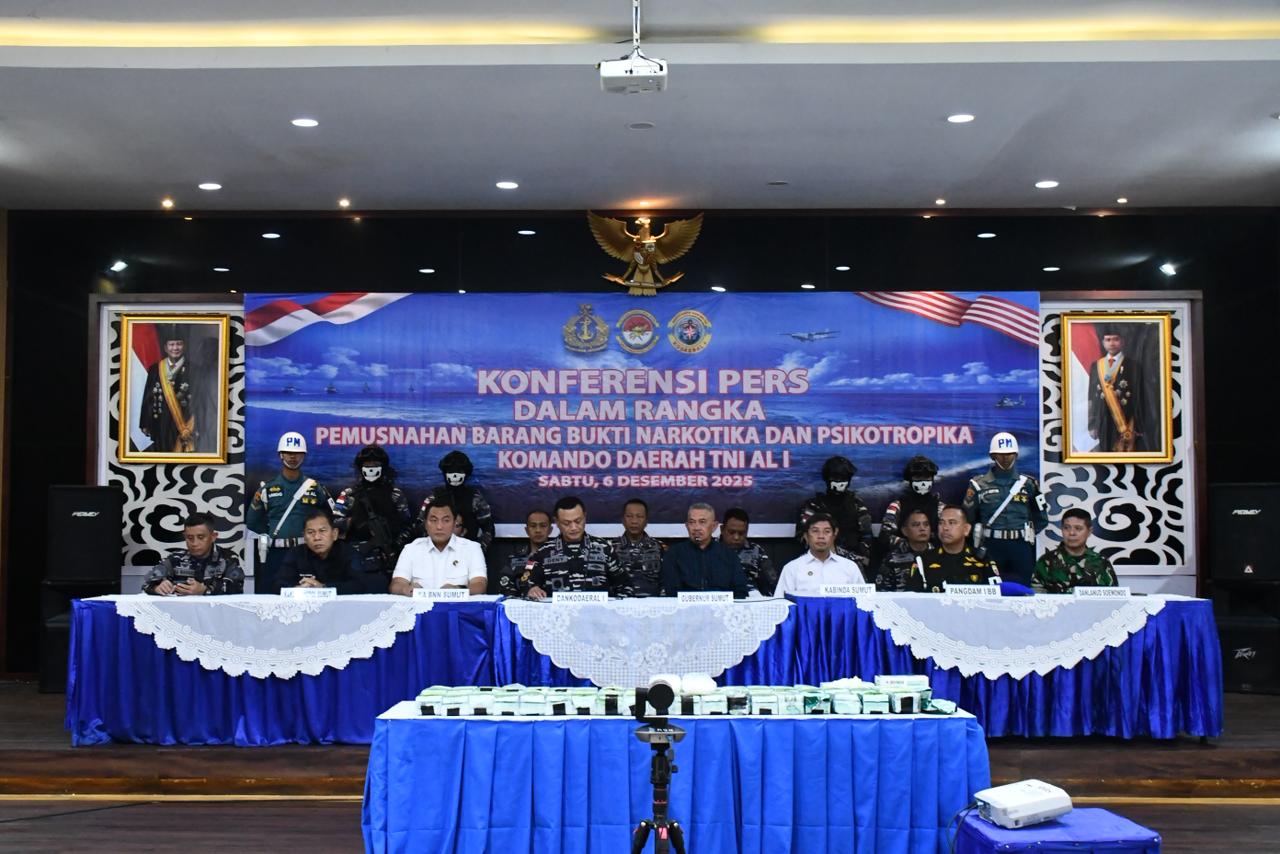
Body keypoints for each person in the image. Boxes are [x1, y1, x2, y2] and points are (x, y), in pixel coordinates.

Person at [246, 431, 335, 595]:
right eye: (288, 453)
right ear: (281, 455)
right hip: (276, 553)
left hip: (307, 552)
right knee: (272, 595)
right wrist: (272, 534)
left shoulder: (315, 488)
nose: (293, 457)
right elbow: (252, 521)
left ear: (304, 456)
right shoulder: (267, 488)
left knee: (308, 595)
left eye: (297, 453)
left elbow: (331, 516)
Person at [963, 432, 1047, 586]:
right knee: (989, 589)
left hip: (1020, 546)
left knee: (1023, 588)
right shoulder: (978, 485)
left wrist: (1026, 535)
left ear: (1016, 455)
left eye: (1010, 454)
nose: (1006, 458)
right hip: (991, 545)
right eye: (1001, 454)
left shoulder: (1028, 484)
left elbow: (1041, 518)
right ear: (993, 456)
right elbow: (968, 519)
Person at [332, 444, 415, 586]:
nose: (371, 468)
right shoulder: (349, 494)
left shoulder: (395, 494)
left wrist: (395, 544)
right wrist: (354, 521)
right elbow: (334, 524)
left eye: (375, 464)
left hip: (388, 556)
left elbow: (407, 526)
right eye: (367, 465)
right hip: (356, 556)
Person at [519, 496, 631, 599]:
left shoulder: (605, 548)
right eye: (566, 523)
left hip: (598, 612)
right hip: (557, 612)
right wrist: (531, 589)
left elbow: (625, 585)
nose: (573, 527)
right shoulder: (541, 552)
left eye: (578, 521)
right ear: (557, 522)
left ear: (585, 517)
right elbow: (524, 580)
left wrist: (616, 607)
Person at [391, 496, 488, 595]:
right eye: (434, 520)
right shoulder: (411, 549)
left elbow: (480, 585)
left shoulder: (472, 548)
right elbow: (396, 584)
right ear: (425, 524)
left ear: (454, 523)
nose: (439, 526)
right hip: (419, 604)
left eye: (446, 520)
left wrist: (458, 590)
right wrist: (406, 589)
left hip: (456, 605)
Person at [142, 512, 244, 595]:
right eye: (190, 538)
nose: (194, 543)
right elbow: (146, 583)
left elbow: (236, 589)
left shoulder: (228, 558)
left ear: (213, 536)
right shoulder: (176, 558)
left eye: (201, 537)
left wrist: (205, 590)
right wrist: (156, 587)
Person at [661, 503, 749, 598]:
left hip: (722, 606)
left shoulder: (729, 555)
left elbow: (740, 591)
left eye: (702, 522)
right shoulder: (674, 554)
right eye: (692, 522)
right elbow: (672, 592)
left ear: (714, 526)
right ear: (686, 526)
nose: (696, 528)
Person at [277, 507, 371, 594]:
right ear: (304, 537)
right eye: (310, 532)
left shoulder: (348, 553)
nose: (317, 537)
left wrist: (324, 588)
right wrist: (297, 589)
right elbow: (278, 583)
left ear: (334, 534)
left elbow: (360, 584)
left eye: (322, 531)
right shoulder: (296, 553)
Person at [907, 505, 1000, 592]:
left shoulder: (983, 560)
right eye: (941, 523)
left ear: (966, 529)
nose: (945, 528)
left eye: (952, 523)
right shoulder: (923, 561)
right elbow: (912, 598)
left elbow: (997, 595)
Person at [797, 455, 874, 559]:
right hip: (818, 560)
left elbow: (867, 537)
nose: (839, 482)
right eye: (835, 478)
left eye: (844, 478)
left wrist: (850, 557)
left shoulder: (857, 505)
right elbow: (802, 537)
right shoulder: (813, 506)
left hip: (851, 561)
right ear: (827, 479)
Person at [774, 513, 866, 597]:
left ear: (834, 535)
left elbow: (863, 601)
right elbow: (781, 603)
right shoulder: (792, 568)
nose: (821, 536)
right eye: (815, 531)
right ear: (806, 536)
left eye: (827, 531)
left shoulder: (850, 567)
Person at [139, 325, 198, 453]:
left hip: (185, 425)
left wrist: (195, 425)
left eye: (179, 344)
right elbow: (148, 397)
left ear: (184, 346)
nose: (175, 348)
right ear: (165, 348)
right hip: (160, 424)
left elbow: (199, 399)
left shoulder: (194, 369)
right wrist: (145, 422)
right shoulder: (155, 369)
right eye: (171, 344)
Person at [420, 450, 495, 551]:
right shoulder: (434, 498)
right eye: (450, 471)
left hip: (467, 553)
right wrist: (432, 551)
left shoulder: (475, 498)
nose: (455, 475)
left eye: (459, 471)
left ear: (466, 473)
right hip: (438, 553)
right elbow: (421, 526)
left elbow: (488, 528)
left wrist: (478, 550)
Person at [1033, 508, 1117, 593]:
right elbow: (1036, 597)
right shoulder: (1046, 562)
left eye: (1078, 528)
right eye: (1066, 528)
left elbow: (1114, 595)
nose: (1071, 533)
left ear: (1089, 531)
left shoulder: (1101, 562)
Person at [1087, 327, 1144, 452]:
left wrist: (1138, 425)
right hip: (1103, 419)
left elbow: (1139, 397)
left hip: (1126, 419)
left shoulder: (1133, 365)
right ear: (1103, 343)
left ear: (1122, 342)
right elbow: (1091, 397)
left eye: (1116, 339)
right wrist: (1092, 425)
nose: (1112, 343)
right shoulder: (1096, 365)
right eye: (1108, 340)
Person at [879, 455, 945, 558]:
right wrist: (911, 545)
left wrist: (927, 546)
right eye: (918, 478)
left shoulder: (940, 507)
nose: (923, 482)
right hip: (903, 558)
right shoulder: (897, 506)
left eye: (927, 477)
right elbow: (885, 536)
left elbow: (947, 534)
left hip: (935, 558)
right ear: (910, 480)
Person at [612, 498, 666, 597]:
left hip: (653, 604)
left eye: (639, 516)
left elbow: (666, 581)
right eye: (629, 516)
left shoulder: (659, 547)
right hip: (620, 604)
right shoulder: (611, 548)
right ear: (622, 520)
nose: (634, 521)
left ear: (646, 521)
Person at [719, 507, 778, 595]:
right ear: (722, 529)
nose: (736, 537)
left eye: (741, 533)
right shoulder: (711, 549)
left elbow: (772, 582)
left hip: (750, 598)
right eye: (731, 532)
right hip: (719, 597)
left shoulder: (756, 551)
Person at [498, 508, 553, 596]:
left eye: (543, 526)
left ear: (550, 530)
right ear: (527, 530)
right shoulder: (514, 560)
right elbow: (506, 591)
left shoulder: (560, 556)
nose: (538, 530)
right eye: (533, 526)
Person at [876, 508, 934, 591]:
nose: (922, 528)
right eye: (916, 525)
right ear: (904, 531)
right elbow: (881, 592)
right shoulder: (892, 559)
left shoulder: (939, 555)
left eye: (926, 524)